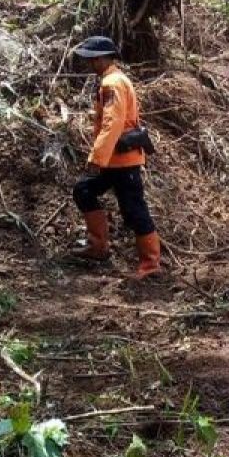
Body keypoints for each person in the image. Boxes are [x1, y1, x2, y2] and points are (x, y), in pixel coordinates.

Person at [70, 36, 162, 279]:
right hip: (113, 160)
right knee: (84, 190)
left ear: (101, 59)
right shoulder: (111, 81)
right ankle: (98, 247)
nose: (90, 64)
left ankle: (151, 264)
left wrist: (96, 157)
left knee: (134, 210)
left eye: (92, 60)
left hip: (122, 160)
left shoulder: (112, 83)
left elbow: (113, 123)